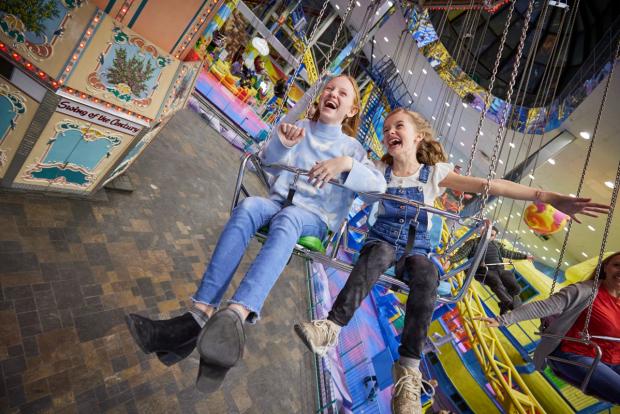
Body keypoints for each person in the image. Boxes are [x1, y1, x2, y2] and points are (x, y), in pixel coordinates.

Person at [293, 108, 610, 414]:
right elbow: (348, 171)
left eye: (398, 126)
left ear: (418, 137)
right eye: (386, 128)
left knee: (428, 275)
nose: (390, 131)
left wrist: (549, 198)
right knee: (378, 254)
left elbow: (492, 186)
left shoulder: (434, 174)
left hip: (418, 251)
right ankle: (331, 326)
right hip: (382, 242)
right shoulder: (378, 170)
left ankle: (408, 370)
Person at [125, 74, 386, 392]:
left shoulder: (353, 149)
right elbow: (270, 164)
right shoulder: (301, 128)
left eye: (343, 93)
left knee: (289, 218)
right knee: (249, 208)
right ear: (320, 97)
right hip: (279, 204)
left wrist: (345, 164)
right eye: (329, 88)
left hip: (313, 219)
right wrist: (282, 144)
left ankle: (237, 313)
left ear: (352, 109)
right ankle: (199, 314)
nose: (333, 93)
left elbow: (378, 189)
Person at [476, 251, 620, 404]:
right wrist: (502, 319)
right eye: (617, 265)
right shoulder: (585, 291)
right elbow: (545, 306)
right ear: (605, 267)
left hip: (614, 359)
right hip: (577, 354)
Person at [445, 225, 534, 314]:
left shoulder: (496, 245)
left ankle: (504, 305)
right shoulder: (473, 243)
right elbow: (461, 253)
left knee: (516, 287)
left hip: (500, 269)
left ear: (494, 237)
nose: (488, 236)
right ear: (482, 232)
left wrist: (525, 256)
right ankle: (508, 303)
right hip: (484, 271)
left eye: (491, 235)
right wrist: (450, 261)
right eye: (486, 233)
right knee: (496, 282)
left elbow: (509, 253)